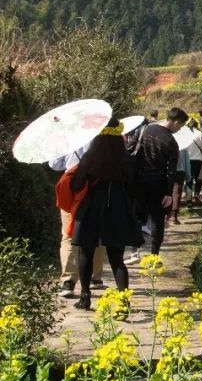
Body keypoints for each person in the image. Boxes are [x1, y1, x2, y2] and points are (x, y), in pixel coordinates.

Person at [68, 118, 142, 311]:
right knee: (117, 258)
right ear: (119, 136)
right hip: (118, 207)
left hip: (92, 206)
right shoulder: (127, 158)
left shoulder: (90, 157)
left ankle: (85, 298)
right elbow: (133, 188)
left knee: (86, 253)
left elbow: (75, 186)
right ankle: (124, 303)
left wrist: (78, 172)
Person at [130, 107, 187, 262]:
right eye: (180, 126)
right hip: (158, 185)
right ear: (175, 122)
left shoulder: (144, 129)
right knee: (157, 221)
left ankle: (135, 252)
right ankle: (154, 255)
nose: (179, 129)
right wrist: (169, 193)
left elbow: (130, 149)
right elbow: (171, 171)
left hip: (138, 182)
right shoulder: (171, 142)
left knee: (137, 217)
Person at [50, 145, 104, 297]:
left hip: (73, 188)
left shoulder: (68, 138)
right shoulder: (101, 134)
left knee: (68, 234)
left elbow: (54, 164)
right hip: (96, 189)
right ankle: (95, 277)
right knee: (96, 233)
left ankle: (68, 281)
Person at [184, 119, 202, 206]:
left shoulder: (184, 135)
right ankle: (196, 194)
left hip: (187, 160)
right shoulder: (201, 134)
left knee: (189, 179)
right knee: (198, 178)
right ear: (196, 125)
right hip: (198, 160)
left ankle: (188, 201)